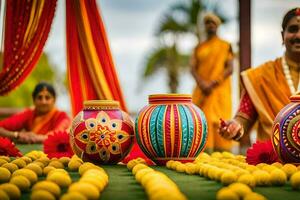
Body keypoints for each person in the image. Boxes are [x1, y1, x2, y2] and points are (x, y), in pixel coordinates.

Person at [219, 8, 300, 146]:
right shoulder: (262, 76)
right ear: (282, 36)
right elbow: (244, 117)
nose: (298, 35)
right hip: (270, 161)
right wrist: (235, 126)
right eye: (293, 29)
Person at [191, 13, 234, 152]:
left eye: (213, 23)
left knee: (219, 121)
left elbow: (230, 68)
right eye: (208, 23)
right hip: (202, 91)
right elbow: (192, 68)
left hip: (219, 90)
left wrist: (214, 82)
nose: (210, 26)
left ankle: (223, 156)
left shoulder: (225, 46)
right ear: (205, 26)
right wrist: (202, 83)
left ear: (217, 26)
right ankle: (203, 154)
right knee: (202, 121)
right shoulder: (199, 47)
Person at [0, 82, 71, 143]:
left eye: (47, 97)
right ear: (34, 100)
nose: (43, 102)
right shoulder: (29, 114)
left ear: (54, 100)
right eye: (40, 97)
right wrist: (16, 135)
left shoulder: (61, 116)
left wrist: (33, 138)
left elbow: (56, 136)